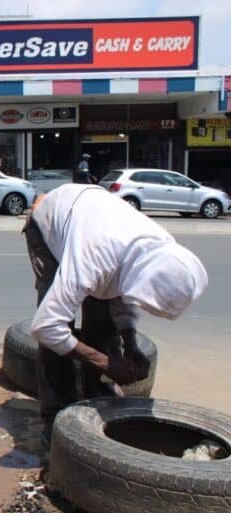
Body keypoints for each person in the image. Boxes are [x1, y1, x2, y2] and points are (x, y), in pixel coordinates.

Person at [24, 184, 208, 449]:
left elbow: (123, 295)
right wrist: (105, 362)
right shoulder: (93, 259)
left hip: (93, 221)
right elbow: (45, 327)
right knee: (59, 328)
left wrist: (131, 344)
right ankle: (56, 412)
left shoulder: (159, 250)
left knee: (103, 320)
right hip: (50, 222)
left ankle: (100, 395)